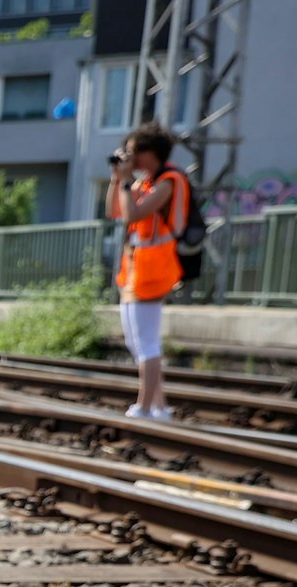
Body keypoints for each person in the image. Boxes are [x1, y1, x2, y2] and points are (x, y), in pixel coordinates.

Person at [110, 121, 190, 421]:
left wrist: (126, 180)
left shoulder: (169, 181)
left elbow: (133, 214)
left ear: (149, 153)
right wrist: (117, 179)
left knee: (146, 342)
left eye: (132, 152)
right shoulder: (144, 184)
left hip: (154, 270)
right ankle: (159, 407)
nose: (128, 157)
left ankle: (144, 407)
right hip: (136, 269)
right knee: (135, 342)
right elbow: (115, 211)